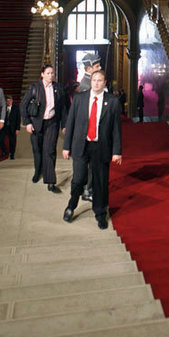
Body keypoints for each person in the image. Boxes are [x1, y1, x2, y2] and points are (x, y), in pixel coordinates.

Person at [62, 69, 122, 229]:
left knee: (100, 181)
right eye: (94, 80)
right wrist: (66, 146)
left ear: (104, 82)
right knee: (79, 179)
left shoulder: (113, 101)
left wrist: (117, 151)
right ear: (90, 81)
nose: (96, 83)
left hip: (101, 147)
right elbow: (71, 123)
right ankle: (71, 206)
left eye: (99, 80)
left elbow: (116, 129)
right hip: (81, 145)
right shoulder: (80, 98)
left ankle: (101, 213)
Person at [21, 64, 67, 193]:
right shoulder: (35, 88)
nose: (51, 75)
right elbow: (23, 105)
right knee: (38, 150)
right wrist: (27, 123)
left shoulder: (58, 88)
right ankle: (38, 172)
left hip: (52, 123)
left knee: (49, 151)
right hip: (36, 124)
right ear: (42, 74)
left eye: (52, 73)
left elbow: (63, 108)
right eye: (48, 73)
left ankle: (51, 181)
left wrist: (64, 125)